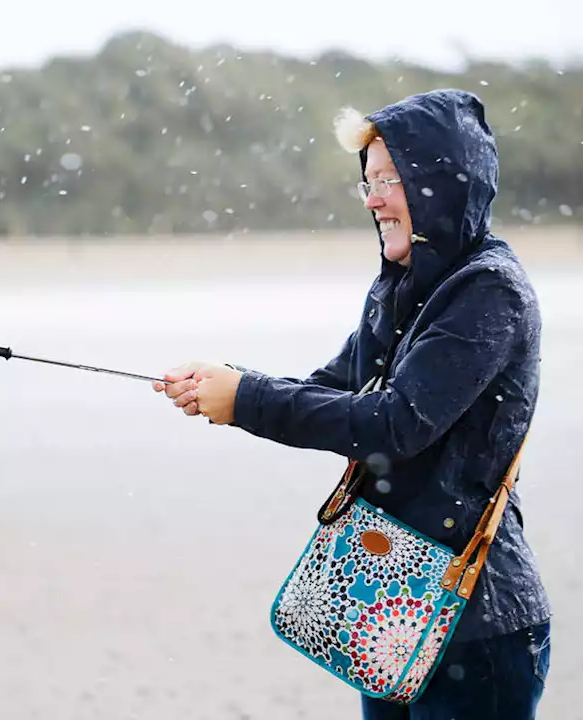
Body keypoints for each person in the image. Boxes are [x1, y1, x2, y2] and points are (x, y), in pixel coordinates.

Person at [152, 89, 552, 719]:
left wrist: (247, 399)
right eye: (367, 182)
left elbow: (395, 425)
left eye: (389, 180)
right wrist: (223, 384)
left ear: (442, 184)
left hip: (479, 620)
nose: (372, 200)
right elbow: (333, 386)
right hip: (393, 600)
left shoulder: (487, 290)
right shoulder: (404, 281)